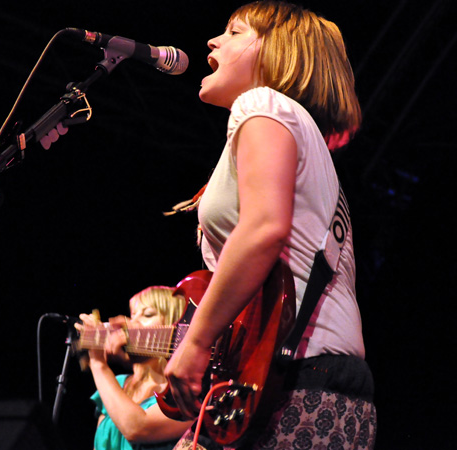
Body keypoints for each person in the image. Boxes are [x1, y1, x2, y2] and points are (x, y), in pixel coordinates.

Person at [163, 1, 377, 449]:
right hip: (314, 381)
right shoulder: (294, 127)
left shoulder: (262, 104)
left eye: (235, 32)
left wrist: (196, 345)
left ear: (276, 51)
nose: (213, 41)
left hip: (298, 381)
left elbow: (263, 229)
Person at [76, 286, 194, 450]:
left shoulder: (186, 394)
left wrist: (98, 364)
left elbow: (137, 428)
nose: (132, 323)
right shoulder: (118, 384)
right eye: (132, 315)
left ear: (172, 326)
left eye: (147, 315)